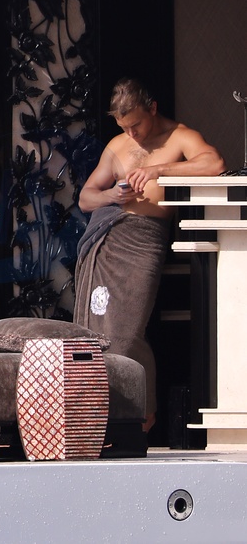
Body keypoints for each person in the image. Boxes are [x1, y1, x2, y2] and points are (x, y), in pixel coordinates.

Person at [73, 77, 225, 432]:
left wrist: (158, 170)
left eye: (137, 125)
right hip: (109, 239)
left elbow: (214, 164)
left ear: (152, 109)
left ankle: (142, 415)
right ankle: (105, 419)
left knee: (128, 332)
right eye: (124, 127)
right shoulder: (118, 145)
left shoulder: (179, 137)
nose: (132, 134)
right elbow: (85, 198)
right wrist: (112, 195)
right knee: (97, 331)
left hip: (145, 241)